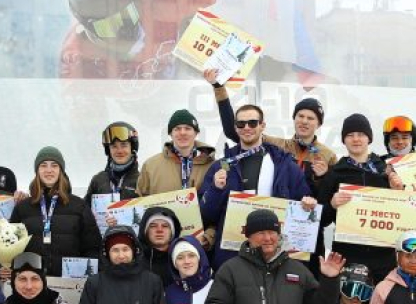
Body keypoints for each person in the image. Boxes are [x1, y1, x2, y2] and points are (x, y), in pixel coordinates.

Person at [199, 102, 316, 266]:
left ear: (262, 126)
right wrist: (215, 189)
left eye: (252, 123)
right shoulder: (222, 166)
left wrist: (308, 204)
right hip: (233, 254)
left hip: (273, 254)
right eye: (241, 123)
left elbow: (305, 203)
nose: (247, 127)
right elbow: (206, 215)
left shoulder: (285, 165)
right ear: (236, 127)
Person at [209, 70, 338, 189]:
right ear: (294, 119)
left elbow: (332, 192)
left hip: (309, 209)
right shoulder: (277, 146)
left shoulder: (328, 156)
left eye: (310, 118)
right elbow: (234, 132)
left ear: (319, 124)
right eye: (301, 116)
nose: (304, 121)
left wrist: (323, 176)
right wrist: (219, 88)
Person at [316, 113, 397, 278]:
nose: (356, 139)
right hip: (348, 255)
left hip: (383, 256)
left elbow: (405, 211)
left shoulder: (387, 170)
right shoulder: (334, 173)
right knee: (348, 302)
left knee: (381, 302)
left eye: (361, 134)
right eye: (350, 135)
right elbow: (320, 219)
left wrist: (398, 190)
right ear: (344, 140)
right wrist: (331, 205)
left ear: (369, 138)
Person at [10, 147, 101, 280]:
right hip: (32, 283)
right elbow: (11, 248)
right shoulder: (23, 208)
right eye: (43, 165)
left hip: (70, 283)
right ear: (37, 171)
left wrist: (87, 278)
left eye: (54, 165)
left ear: (61, 171)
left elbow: (93, 247)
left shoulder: (78, 205)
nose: (49, 170)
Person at [136, 108, 217, 197]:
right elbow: (139, 200)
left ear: (196, 133)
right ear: (170, 134)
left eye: (188, 128)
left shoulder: (213, 165)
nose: (182, 133)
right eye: (177, 129)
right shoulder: (150, 166)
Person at [86, 122, 141, 202]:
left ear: (132, 148)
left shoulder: (142, 180)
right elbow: (84, 210)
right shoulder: (98, 180)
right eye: (114, 146)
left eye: (124, 145)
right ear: (108, 151)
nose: (119, 151)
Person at [138, 206, 180, 288]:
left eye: (165, 226)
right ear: (145, 231)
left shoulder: (182, 258)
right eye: (153, 226)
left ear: (172, 232)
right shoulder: (134, 260)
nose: (159, 230)